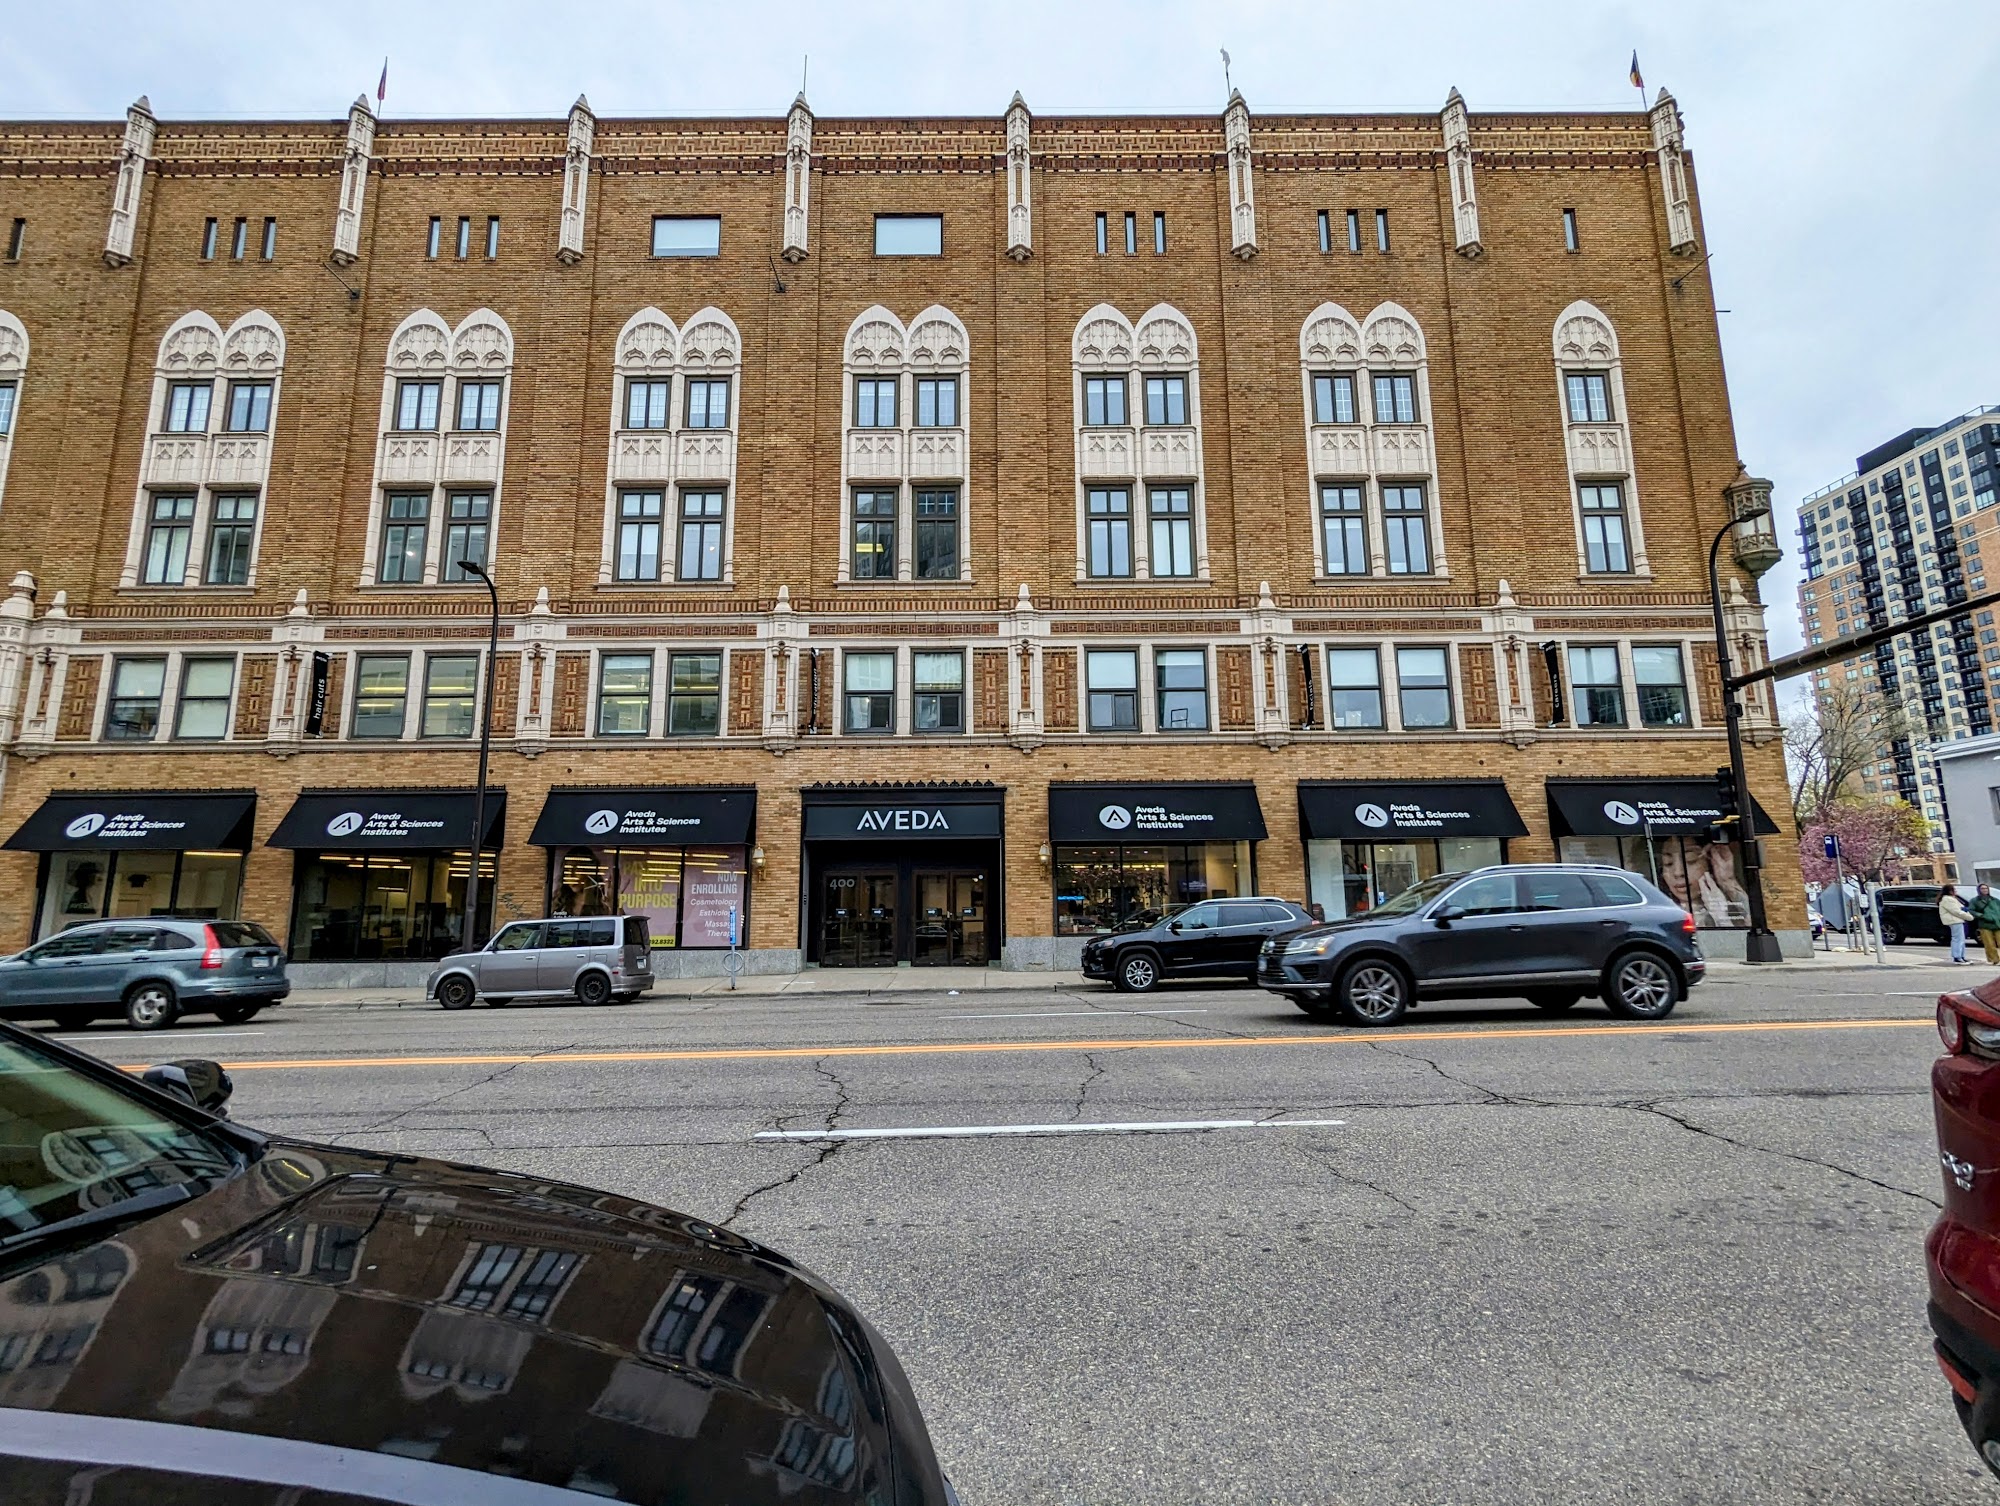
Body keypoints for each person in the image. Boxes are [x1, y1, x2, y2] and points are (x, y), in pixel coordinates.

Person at [1940, 886, 1974, 965]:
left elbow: (1961, 908)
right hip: (1954, 920)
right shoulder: (1948, 899)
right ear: (1950, 891)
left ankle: (1961, 956)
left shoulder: (1952, 899)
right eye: (1954, 890)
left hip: (1957, 920)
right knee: (1957, 939)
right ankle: (1957, 957)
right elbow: (1956, 911)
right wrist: (1969, 917)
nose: (1955, 891)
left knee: (1961, 939)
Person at [1971, 883, 2000, 966]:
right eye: (1982, 888)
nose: (1984, 890)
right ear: (1979, 890)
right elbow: (1971, 910)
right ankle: (1994, 959)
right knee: (1989, 944)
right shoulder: (1975, 901)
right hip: (1985, 924)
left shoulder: (1995, 900)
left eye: (1986, 888)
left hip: (1997, 923)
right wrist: (1981, 916)